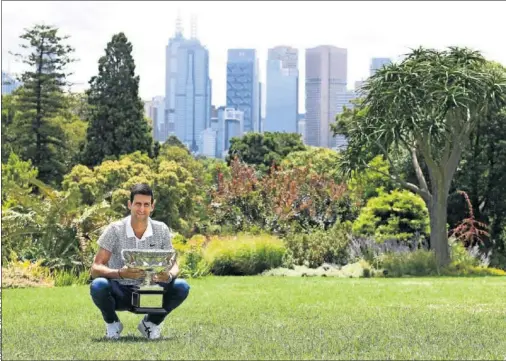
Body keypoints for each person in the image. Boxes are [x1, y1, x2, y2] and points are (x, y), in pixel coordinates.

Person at [89, 183, 190, 340]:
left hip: (151, 290)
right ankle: (112, 324)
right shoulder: (115, 229)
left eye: (146, 204)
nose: (141, 209)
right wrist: (120, 273)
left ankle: (150, 324)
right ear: (130, 205)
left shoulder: (161, 229)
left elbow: (174, 264)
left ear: (152, 206)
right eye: (137, 204)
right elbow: (95, 268)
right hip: (120, 291)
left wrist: (168, 275)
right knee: (98, 285)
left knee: (181, 286)